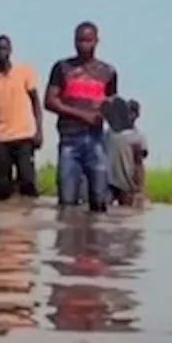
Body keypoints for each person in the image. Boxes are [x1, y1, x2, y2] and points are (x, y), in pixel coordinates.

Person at [45, 21, 118, 212]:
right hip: (70, 140)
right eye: (80, 40)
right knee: (67, 202)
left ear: (96, 41)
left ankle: (94, 242)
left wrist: (111, 114)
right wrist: (82, 115)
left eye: (88, 40)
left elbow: (111, 104)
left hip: (96, 140)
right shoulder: (62, 68)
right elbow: (50, 101)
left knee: (99, 200)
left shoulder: (108, 72)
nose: (84, 45)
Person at [0, 34, 43, 201]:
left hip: (24, 135)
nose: (1, 52)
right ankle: (3, 225)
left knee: (28, 181)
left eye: (4, 48)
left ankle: (28, 221)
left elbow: (36, 101)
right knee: (2, 187)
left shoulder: (24, 71)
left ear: (10, 50)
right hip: (0, 137)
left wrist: (39, 130)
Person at [106, 99, 148, 206]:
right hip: (108, 181)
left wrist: (140, 187)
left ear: (137, 115)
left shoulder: (138, 136)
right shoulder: (110, 132)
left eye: (132, 112)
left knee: (127, 211)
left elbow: (139, 163)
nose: (129, 115)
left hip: (127, 183)